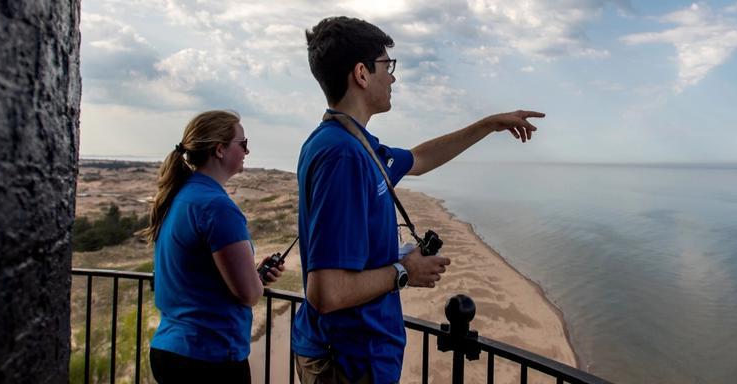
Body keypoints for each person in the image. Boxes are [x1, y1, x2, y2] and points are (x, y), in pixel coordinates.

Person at [293, 16, 545, 384]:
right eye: (386, 66)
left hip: (360, 355)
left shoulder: (357, 145)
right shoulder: (341, 155)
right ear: (362, 74)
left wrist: (489, 125)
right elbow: (326, 292)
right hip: (348, 360)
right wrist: (404, 271)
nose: (392, 78)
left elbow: (421, 159)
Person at [139, 110, 286, 384]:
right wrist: (254, 282)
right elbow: (249, 294)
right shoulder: (216, 207)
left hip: (171, 350)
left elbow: (199, 275)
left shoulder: (181, 197)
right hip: (209, 357)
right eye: (242, 143)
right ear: (219, 150)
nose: (248, 150)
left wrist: (250, 273)